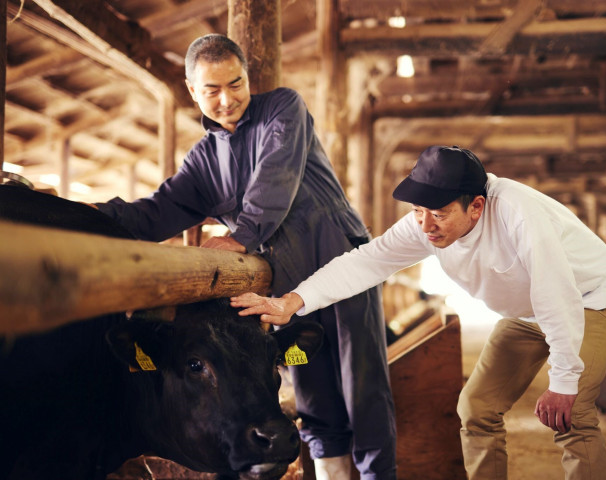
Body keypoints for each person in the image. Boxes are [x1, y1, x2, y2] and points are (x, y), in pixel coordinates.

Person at [91, 34, 397, 480]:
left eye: (235, 84)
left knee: (363, 389)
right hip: (289, 285)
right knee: (313, 396)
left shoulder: (282, 109)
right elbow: (156, 213)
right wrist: (83, 215)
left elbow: (276, 178)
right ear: (192, 91)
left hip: (342, 262)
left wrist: (243, 235)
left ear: (247, 77)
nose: (226, 98)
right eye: (211, 90)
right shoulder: (202, 161)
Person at [232, 145, 606, 480]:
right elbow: (365, 262)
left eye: (439, 213)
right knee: (476, 408)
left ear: (477, 207)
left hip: (590, 299)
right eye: (417, 211)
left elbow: (556, 292)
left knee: (572, 413)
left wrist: (563, 381)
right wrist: (291, 302)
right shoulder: (425, 223)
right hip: (528, 312)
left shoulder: (519, 216)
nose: (426, 225)